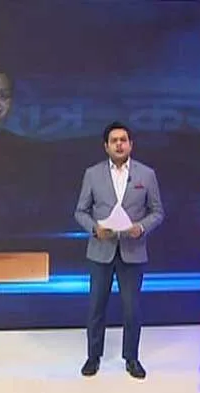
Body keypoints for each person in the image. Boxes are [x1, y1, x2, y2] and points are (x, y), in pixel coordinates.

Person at [74, 121, 165, 379]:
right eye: (114, 140)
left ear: (131, 144)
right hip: (100, 250)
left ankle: (131, 358)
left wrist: (141, 227)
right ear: (106, 146)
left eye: (123, 140)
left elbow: (157, 212)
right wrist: (95, 229)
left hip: (132, 251)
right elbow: (80, 211)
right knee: (96, 307)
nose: (119, 144)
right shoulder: (92, 174)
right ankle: (93, 357)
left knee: (131, 309)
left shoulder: (146, 175)